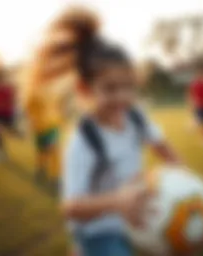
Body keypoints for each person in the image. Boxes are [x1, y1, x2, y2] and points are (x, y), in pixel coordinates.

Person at [44, 7, 182, 256]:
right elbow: (70, 206)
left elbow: (162, 146)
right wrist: (117, 201)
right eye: (109, 88)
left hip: (130, 220)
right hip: (97, 228)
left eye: (129, 87)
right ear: (85, 89)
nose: (122, 97)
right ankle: (82, 245)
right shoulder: (84, 140)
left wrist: (182, 177)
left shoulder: (136, 118)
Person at [21, 18, 76, 189]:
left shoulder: (57, 81)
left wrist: (64, 112)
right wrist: (32, 120)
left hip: (53, 123)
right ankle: (41, 171)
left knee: (54, 151)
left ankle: (56, 178)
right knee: (43, 152)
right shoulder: (33, 84)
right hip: (40, 125)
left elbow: (62, 101)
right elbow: (29, 105)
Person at [0, 69, 16, 161]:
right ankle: (2, 152)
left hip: (6, 114)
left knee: (0, 132)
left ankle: (2, 152)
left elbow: (10, 102)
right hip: (0, 115)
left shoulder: (8, 89)